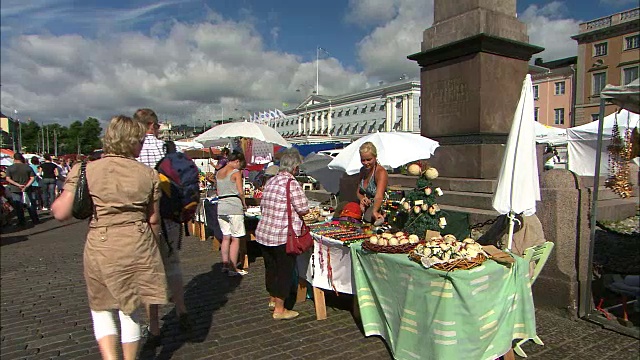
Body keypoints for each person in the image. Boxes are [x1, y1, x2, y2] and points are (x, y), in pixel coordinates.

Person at [50, 115, 168, 360]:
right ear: (132, 142)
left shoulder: (85, 170)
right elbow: (153, 220)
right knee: (131, 309)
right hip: (138, 242)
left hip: (101, 243)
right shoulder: (148, 174)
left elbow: (61, 212)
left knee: (101, 307)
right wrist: (155, 248)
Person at [133, 108, 190, 342]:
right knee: (173, 265)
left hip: (141, 218)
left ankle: (154, 325)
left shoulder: (132, 152)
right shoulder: (168, 149)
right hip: (169, 216)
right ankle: (182, 310)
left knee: (149, 272)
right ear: (154, 126)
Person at [255, 148, 309, 320]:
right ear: (295, 168)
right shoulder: (291, 183)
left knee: (271, 269)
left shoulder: (271, 181)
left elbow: (263, 205)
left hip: (265, 232)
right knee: (284, 270)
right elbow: (303, 208)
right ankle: (280, 309)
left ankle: (272, 299)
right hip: (282, 235)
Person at [216, 151, 248, 276]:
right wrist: (244, 204)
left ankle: (225, 264)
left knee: (225, 237)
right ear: (237, 161)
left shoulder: (219, 173)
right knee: (236, 238)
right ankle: (233, 268)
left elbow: (218, 191)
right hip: (234, 206)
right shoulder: (235, 173)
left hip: (221, 206)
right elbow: (240, 192)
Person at [356, 142, 388, 224]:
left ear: (375, 157)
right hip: (366, 209)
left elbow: (379, 196)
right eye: (363, 160)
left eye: (369, 159)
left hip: (379, 208)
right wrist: (362, 199)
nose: (366, 163)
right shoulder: (362, 170)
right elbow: (359, 191)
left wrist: (375, 211)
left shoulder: (380, 172)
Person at [4, 153, 40, 226]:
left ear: (14, 159)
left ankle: (21, 221)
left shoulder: (10, 168)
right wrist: (26, 186)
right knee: (30, 204)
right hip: (27, 188)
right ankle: (35, 219)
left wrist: (18, 185)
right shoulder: (27, 167)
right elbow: (33, 178)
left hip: (15, 188)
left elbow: (8, 178)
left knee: (18, 205)